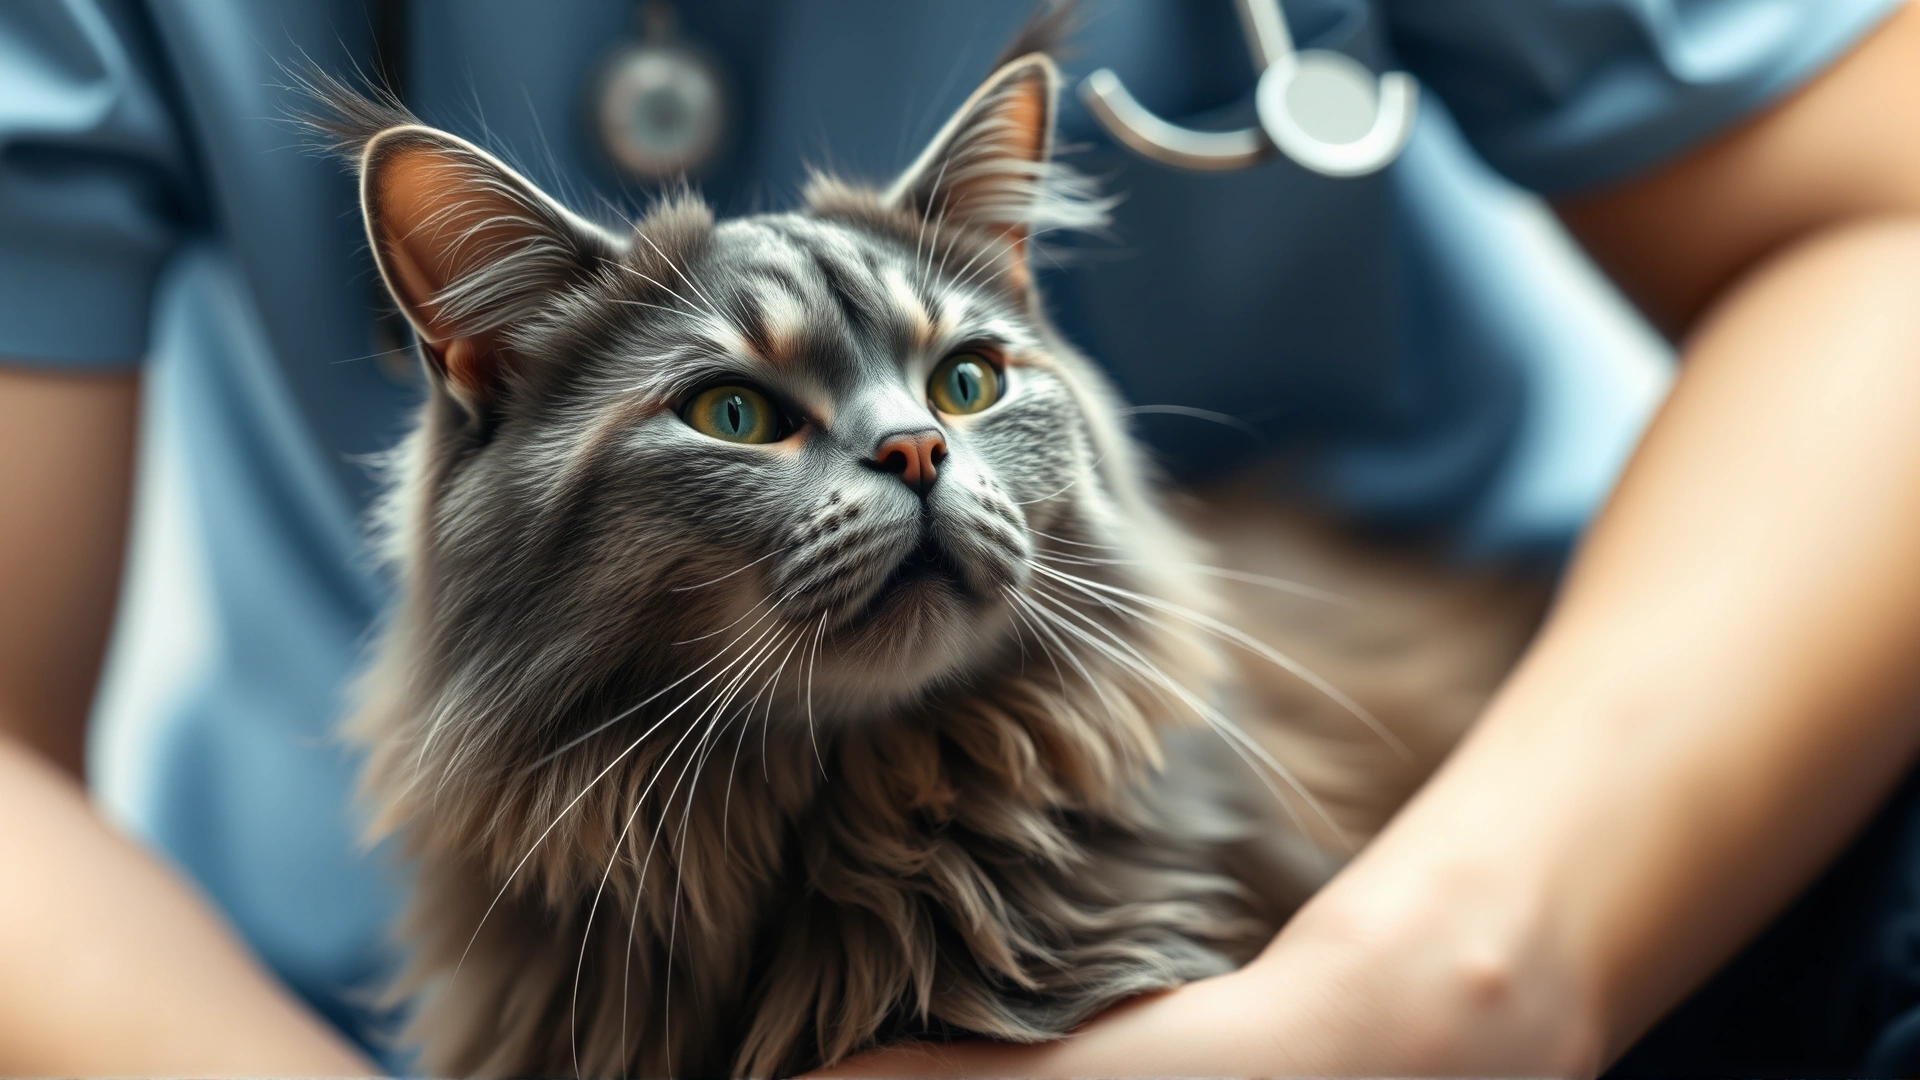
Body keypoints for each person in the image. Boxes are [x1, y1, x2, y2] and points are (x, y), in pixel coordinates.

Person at [2, 0, 1916, 1074]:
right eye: (745, 414)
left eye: (966, 385)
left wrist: (1434, 993)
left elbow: (1885, 223)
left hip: (1537, 847)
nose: (914, 456)